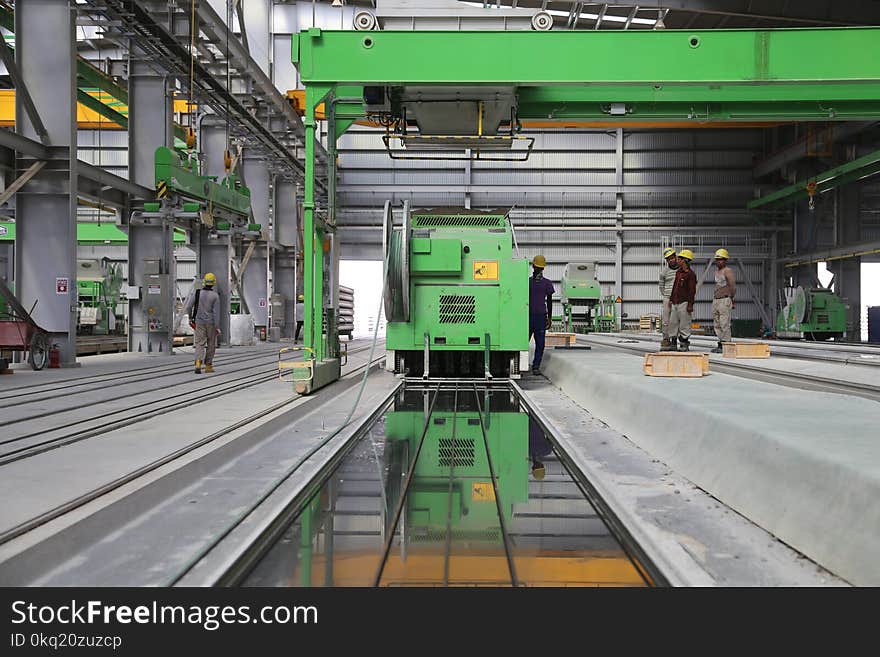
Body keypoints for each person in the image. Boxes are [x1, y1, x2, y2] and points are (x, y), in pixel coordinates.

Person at [185, 272, 221, 374]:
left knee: (199, 343)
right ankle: (208, 365)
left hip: (199, 322)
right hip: (211, 323)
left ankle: (198, 363)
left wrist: (191, 318)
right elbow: (216, 313)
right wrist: (217, 327)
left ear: (204, 282)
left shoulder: (197, 293)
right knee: (211, 344)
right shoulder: (215, 296)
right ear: (213, 283)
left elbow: (188, 307)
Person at [528, 254, 554, 375]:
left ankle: (535, 366)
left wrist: (549, 317)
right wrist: (549, 317)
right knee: (530, 343)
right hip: (532, 316)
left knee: (540, 344)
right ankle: (532, 366)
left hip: (537, 317)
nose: (538, 269)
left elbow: (549, 301)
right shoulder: (527, 283)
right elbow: (549, 301)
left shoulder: (545, 283)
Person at [668, 249, 697, 351]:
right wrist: (671, 299)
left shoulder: (691, 275)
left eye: (680, 258)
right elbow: (674, 286)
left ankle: (684, 343)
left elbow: (692, 290)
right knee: (673, 323)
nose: (678, 260)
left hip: (684, 303)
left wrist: (690, 304)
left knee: (684, 324)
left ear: (685, 260)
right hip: (675, 302)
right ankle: (673, 342)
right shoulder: (678, 273)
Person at [711, 248, 736, 353]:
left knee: (724, 323)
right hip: (716, 300)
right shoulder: (716, 272)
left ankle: (727, 343)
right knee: (717, 323)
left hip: (725, 299)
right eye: (717, 259)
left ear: (725, 260)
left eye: (721, 259)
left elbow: (732, 286)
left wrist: (732, 298)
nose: (718, 261)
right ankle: (721, 342)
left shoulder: (728, 271)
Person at [659, 248, 679, 351]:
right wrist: (667, 295)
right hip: (667, 298)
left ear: (675, 257)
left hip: (679, 299)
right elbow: (661, 286)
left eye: (672, 258)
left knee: (675, 321)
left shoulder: (681, 270)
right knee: (666, 320)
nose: (671, 260)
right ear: (666, 261)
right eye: (668, 259)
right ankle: (666, 339)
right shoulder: (664, 272)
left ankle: (674, 340)